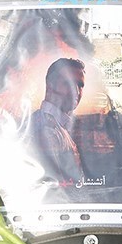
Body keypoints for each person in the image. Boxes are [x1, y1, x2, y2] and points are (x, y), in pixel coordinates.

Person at [28, 57, 87, 186]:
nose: (76, 91)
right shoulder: (46, 129)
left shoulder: (60, 125)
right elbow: (56, 187)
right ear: (50, 86)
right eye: (68, 83)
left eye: (80, 85)